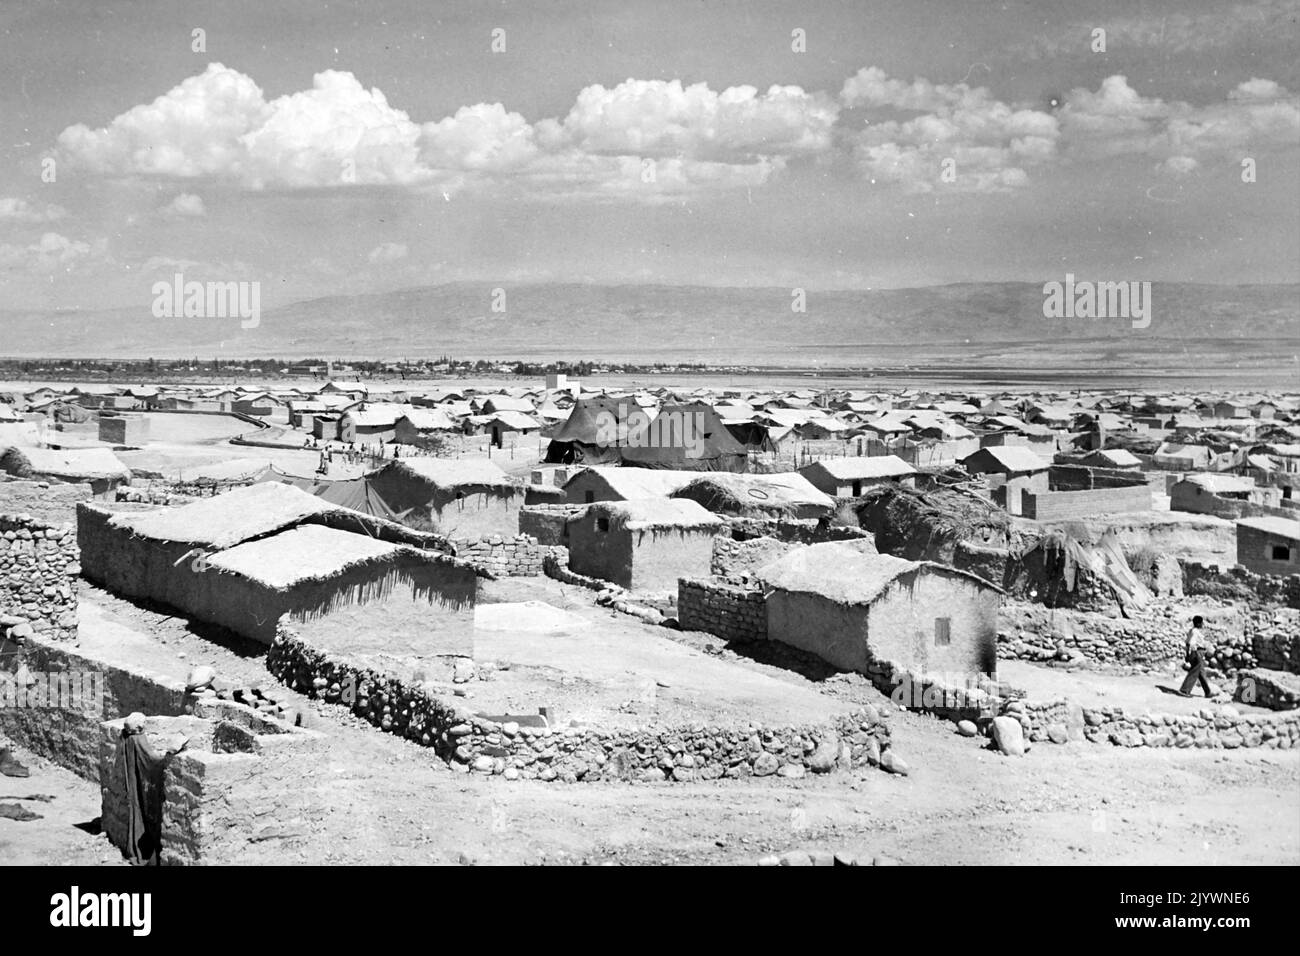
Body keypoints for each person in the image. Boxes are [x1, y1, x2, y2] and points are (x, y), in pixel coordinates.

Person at [1178, 615, 1214, 698]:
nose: (1202, 624)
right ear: (1198, 623)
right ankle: (1184, 690)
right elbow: (1191, 643)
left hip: (1195, 652)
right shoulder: (1195, 632)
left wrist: (1187, 654)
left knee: (1201, 672)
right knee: (1194, 672)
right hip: (1197, 652)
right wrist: (1194, 653)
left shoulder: (1191, 630)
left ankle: (1208, 692)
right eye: (1201, 623)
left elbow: (1187, 643)